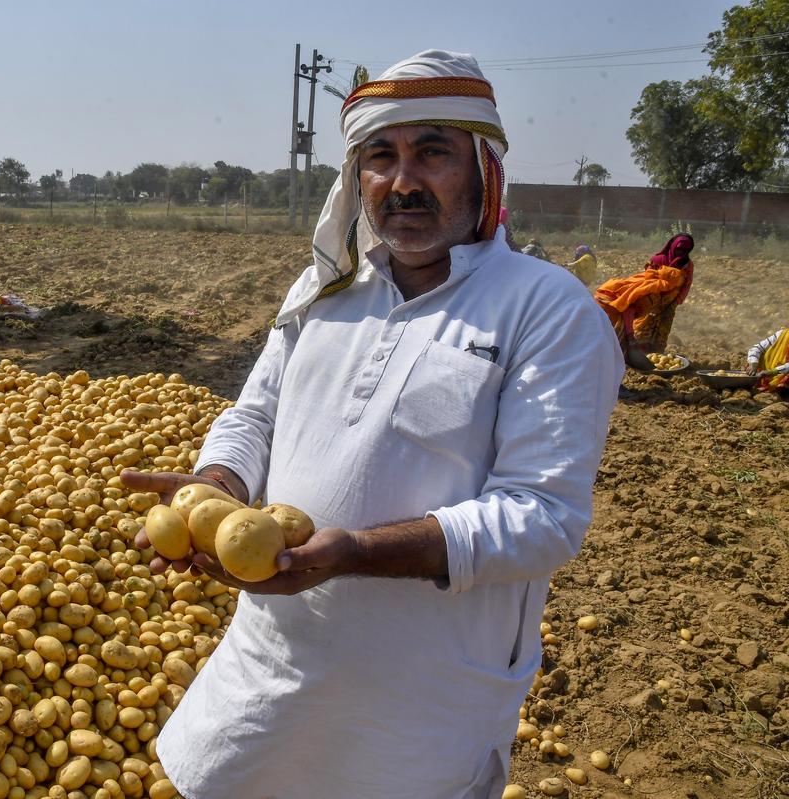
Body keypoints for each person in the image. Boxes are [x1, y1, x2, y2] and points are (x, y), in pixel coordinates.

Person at [121, 49, 621, 798]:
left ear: (483, 170)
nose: (402, 181)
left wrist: (353, 552)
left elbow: (542, 515)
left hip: (417, 709)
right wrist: (215, 484)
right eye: (380, 157)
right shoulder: (326, 287)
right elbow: (255, 414)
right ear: (358, 177)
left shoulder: (545, 309)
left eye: (432, 153)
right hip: (270, 674)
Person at [593, 233, 694, 371]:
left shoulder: (687, 265)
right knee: (639, 326)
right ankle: (620, 357)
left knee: (660, 326)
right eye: (678, 249)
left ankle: (646, 352)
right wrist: (631, 338)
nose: (680, 253)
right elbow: (627, 308)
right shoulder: (649, 285)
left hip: (667, 301)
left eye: (684, 251)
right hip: (629, 301)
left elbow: (686, 284)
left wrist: (676, 301)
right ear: (672, 246)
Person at [745, 328, 789, 392]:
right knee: (754, 359)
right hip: (765, 373)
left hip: (781, 375)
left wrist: (773, 372)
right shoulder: (782, 334)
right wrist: (754, 363)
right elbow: (757, 348)